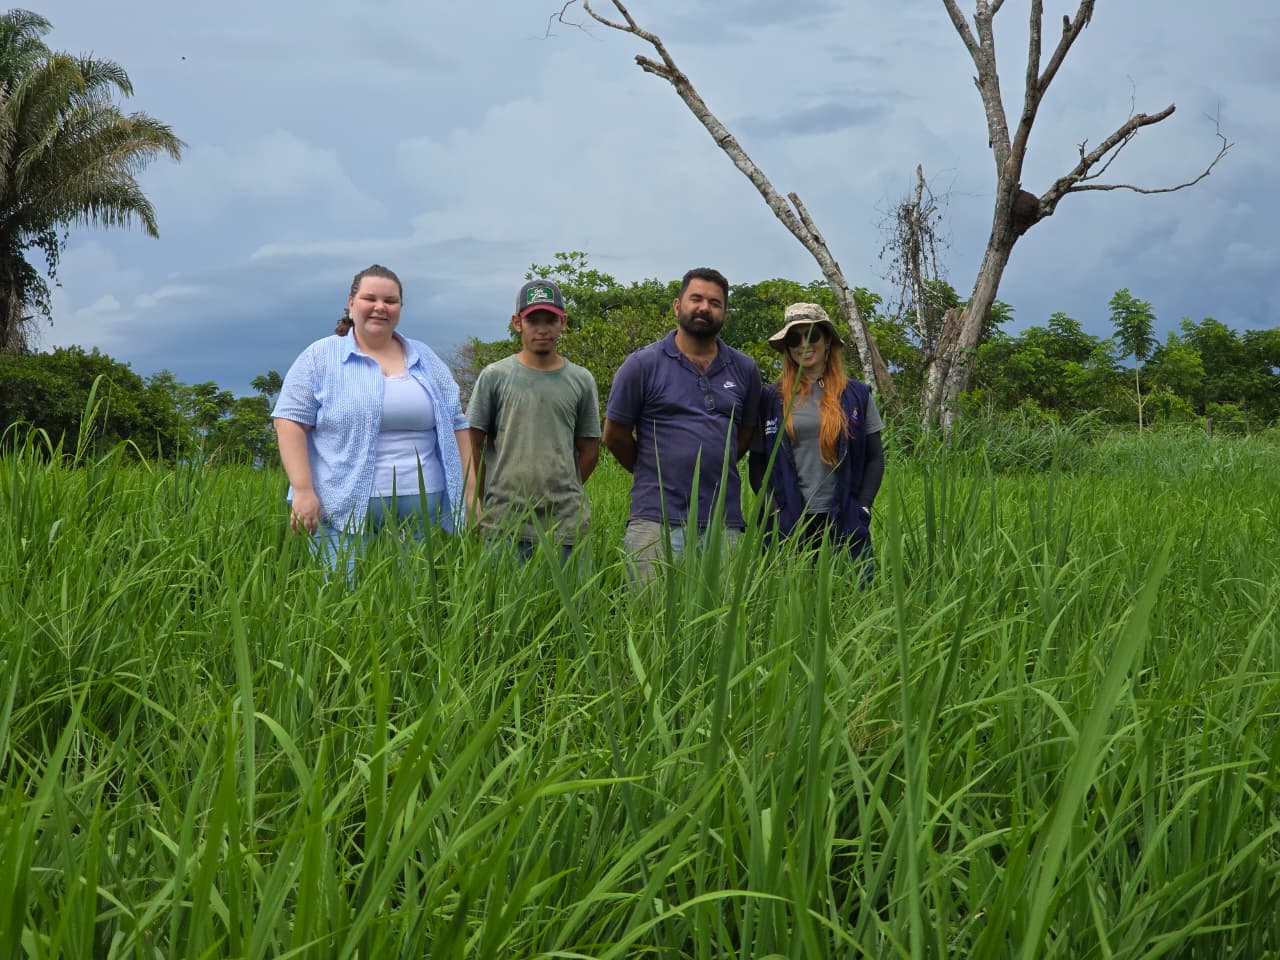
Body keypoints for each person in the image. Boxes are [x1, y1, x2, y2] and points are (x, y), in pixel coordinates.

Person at [272, 264, 471, 571]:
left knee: (412, 603)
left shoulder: (425, 358)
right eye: (370, 298)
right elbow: (289, 421)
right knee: (343, 602)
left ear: (400, 308)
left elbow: (457, 423)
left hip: (421, 511)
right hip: (342, 506)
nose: (380, 307)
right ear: (351, 304)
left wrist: (469, 493)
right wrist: (302, 490)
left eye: (390, 301)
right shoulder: (320, 357)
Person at [603, 266, 762, 582]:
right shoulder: (642, 365)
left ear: (725, 313)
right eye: (696, 299)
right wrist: (653, 470)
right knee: (650, 619)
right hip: (655, 518)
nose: (705, 308)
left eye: (715, 303)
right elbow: (614, 435)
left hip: (723, 520)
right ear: (678, 306)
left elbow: (743, 437)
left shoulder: (745, 369)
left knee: (721, 623)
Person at [466, 279, 601, 561]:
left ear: (562, 322)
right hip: (503, 523)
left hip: (566, 523)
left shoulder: (581, 380)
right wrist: (482, 499)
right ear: (517, 323)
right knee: (504, 603)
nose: (542, 329)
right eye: (533, 320)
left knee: (573, 604)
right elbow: (471, 445)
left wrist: (566, 486)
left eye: (550, 320)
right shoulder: (494, 376)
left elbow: (589, 449)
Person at [749, 302, 884, 565]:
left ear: (827, 341)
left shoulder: (857, 395)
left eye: (811, 335)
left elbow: (875, 458)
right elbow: (757, 462)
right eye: (793, 338)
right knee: (788, 600)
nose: (803, 344)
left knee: (854, 594)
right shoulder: (770, 399)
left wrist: (864, 506)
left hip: (844, 518)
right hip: (788, 521)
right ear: (787, 347)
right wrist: (772, 508)